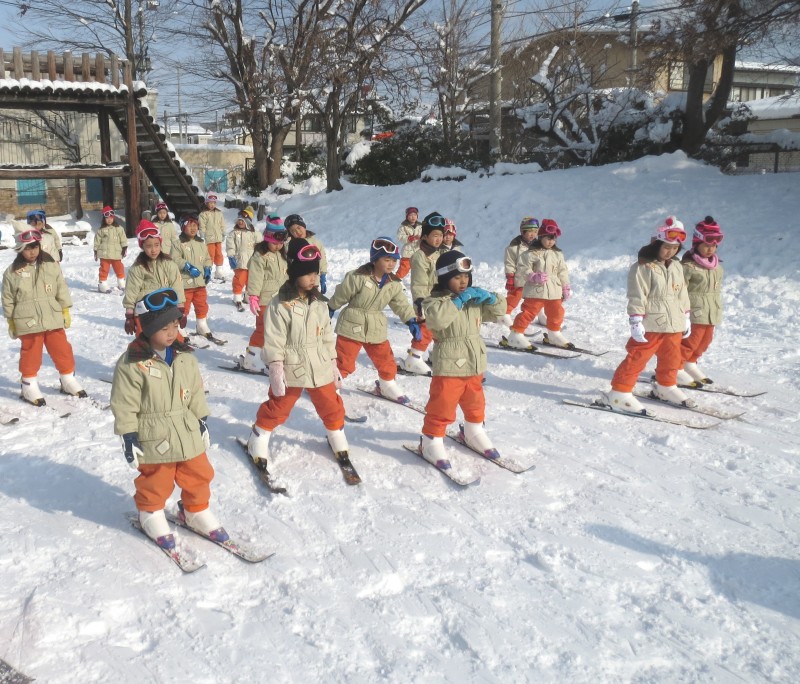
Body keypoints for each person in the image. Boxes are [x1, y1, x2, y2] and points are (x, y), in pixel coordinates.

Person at [110, 287, 227, 547]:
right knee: (157, 478)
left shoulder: (185, 357)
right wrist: (128, 435)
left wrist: (201, 420)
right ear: (148, 329)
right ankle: (150, 512)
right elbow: (124, 403)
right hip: (154, 434)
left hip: (186, 429)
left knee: (199, 472)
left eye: (175, 325)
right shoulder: (132, 364)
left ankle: (195, 509)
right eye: (164, 328)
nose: (172, 333)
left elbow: (195, 391)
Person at [246, 238, 350, 469]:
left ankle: (335, 432)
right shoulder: (279, 304)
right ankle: (259, 435)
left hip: (320, 364)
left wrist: (333, 362)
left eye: (315, 273)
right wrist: (276, 366)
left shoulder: (319, 303)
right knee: (280, 405)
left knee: (330, 403)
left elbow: (326, 335)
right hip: (292, 366)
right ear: (293, 273)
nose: (313, 278)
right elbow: (274, 338)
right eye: (307, 273)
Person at [417, 249, 506, 462]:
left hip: (474, 363)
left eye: (466, 276)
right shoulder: (434, 302)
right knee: (443, 403)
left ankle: (474, 430)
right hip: (449, 365)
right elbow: (437, 321)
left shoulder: (473, 301)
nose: (463, 281)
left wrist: (491, 298)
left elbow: (499, 312)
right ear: (445, 278)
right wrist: (457, 303)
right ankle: (431, 440)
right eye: (457, 277)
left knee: (475, 402)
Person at [604, 217, 695, 413]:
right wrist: (636, 320)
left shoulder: (677, 266)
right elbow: (637, 295)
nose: (670, 251)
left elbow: (682, 293)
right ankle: (619, 392)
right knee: (638, 357)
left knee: (672, 357)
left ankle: (666, 386)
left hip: (674, 322)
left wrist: (686, 315)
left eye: (675, 248)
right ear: (657, 244)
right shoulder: (643, 267)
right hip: (652, 321)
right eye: (666, 247)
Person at [327, 236, 421, 401]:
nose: (391, 264)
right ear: (375, 259)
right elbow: (342, 294)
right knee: (344, 360)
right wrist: (330, 308)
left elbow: (401, 304)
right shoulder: (357, 277)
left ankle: (387, 384)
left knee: (385, 359)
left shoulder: (393, 283)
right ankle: (329, 385)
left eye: (394, 260)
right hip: (352, 325)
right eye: (387, 260)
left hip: (376, 327)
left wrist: (411, 320)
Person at [2, 228, 86, 405]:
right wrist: (10, 319)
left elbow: (61, 287)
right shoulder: (12, 272)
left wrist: (65, 309)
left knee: (62, 349)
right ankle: (29, 384)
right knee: (31, 353)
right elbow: (7, 298)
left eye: (35, 246)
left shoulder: (51, 265)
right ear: (20, 249)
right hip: (27, 321)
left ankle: (67, 378)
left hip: (52, 316)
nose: (32, 251)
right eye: (27, 248)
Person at [504, 219, 572, 350]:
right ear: (541, 237)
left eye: (553, 238)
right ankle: (515, 334)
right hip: (536, 289)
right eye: (548, 238)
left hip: (554, 289)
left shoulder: (557, 254)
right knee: (529, 312)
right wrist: (532, 275)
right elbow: (523, 268)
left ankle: (554, 333)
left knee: (557, 312)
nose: (551, 241)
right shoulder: (530, 253)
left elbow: (563, 271)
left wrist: (565, 286)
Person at [679, 216, 725, 386]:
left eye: (714, 246)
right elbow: (678, 290)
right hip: (694, 312)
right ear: (697, 244)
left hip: (711, 312)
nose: (710, 249)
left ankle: (689, 363)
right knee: (690, 342)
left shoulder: (717, 267)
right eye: (706, 245)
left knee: (704, 342)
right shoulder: (688, 267)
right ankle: (674, 368)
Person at [400, 211, 447, 375]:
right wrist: (420, 301)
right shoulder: (420, 256)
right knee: (426, 330)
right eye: (435, 235)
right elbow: (419, 282)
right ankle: (413, 358)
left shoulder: (441, 254)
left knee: (443, 329)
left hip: (441, 301)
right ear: (425, 237)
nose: (439, 239)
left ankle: (437, 355)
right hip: (426, 301)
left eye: (441, 235)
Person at [238, 221, 289, 372]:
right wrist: (253, 296)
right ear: (267, 239)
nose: (278, 246)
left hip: (281, 300)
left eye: (281, 243)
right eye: (275, 243)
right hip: (265, 300)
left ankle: (265, 355)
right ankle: (251, 359)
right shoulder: (260, 256)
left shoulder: (281, 255)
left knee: (277, 330)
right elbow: (255, 278)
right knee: (263, 329)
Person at [123, 220, 185, 338]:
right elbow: (132, 291)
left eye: (156, 245)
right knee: (146, 342)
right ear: (142, 246)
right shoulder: (138, 268)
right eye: (149, 246)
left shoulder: (169, 264)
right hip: (145, 314)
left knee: (173, 339)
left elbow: (177, 285)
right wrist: (129, 315)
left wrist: (181, 309)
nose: (153, 250)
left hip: (167, 310)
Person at [170, 214, 216, 339]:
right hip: (184, 283)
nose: (193, 228)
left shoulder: (201, 243)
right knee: (184, 306)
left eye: (195, 225)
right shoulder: (177, 243)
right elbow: (175, 259)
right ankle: (180, 326)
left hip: (199, 282)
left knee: (201, 304)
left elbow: (207, 258)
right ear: (183, 227)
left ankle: (201, 324)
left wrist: (207, 268)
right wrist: (187, 266)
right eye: (190, 225)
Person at [502, 217, 540, 326]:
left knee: (537, 299)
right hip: (520, 278)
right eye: (530, 231)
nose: (533, 234)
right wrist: (510, 277)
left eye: (535, 231)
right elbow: (509, 263)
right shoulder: (514, 248)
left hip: (535, 279)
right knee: (514, 297)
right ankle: (505, 313)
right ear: (523, 232)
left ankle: (541, 315)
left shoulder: (539, 247)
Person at [284, 214, 329, 294]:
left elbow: (322, 259)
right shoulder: (291, 245)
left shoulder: (316, 243)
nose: (297, 232)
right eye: (293, 231)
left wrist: (323, 274)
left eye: (298, 228)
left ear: (304, 226)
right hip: (299, 283)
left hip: (314, 281)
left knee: (313, 299)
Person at [225, 209, 259, 311]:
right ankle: (237, 298)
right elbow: (230, 246)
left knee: (251, 281)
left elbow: (260, 245)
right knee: (239, 280)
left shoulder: (255, 233)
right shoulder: (233, 233)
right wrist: (231, 256)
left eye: (243, 220)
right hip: (240, 261)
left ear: (248, 222)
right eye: (239, 220)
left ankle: (248, 297)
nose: (240, 222)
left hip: (253, 262)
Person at [94, 206, 128, 293]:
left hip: (116, 253)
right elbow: (97, 241)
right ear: (104, 219)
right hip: (104, 254)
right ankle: (102, 284)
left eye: (111, 218)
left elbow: (123, 239)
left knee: (119, 268)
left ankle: (121, 282)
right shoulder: (101, 230)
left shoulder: (119, 229)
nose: (109, 220)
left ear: (114, 218)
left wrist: (124, 247)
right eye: (107, 218)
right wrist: (95, 250)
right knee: (104, 269)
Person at [199, 193, 226, 281]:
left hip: (218, 238)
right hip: (209, 238)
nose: (212, 205)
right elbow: (202, 226)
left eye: (214, 203)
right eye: (210, 203)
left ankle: (218, 271)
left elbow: (222, 224)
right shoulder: (203, 214)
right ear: (206, 203)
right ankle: (208, 271)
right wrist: (202, 236)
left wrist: (223, 232)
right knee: (210, 254)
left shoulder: (219, 213)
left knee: (219, 254)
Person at [396, 207, 422, 279]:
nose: (413, 217)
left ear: (417, 216)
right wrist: (408, 238)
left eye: (414, 215)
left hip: (418, 250)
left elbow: (425, 235)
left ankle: (420, 280)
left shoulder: (420, 226)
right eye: (410, 215)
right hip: (408, 251)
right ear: (407, 216)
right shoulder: (403, 227)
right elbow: (400, 236)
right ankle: (397, 278)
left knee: (420, 267)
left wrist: (422, 237)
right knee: (404, 267)